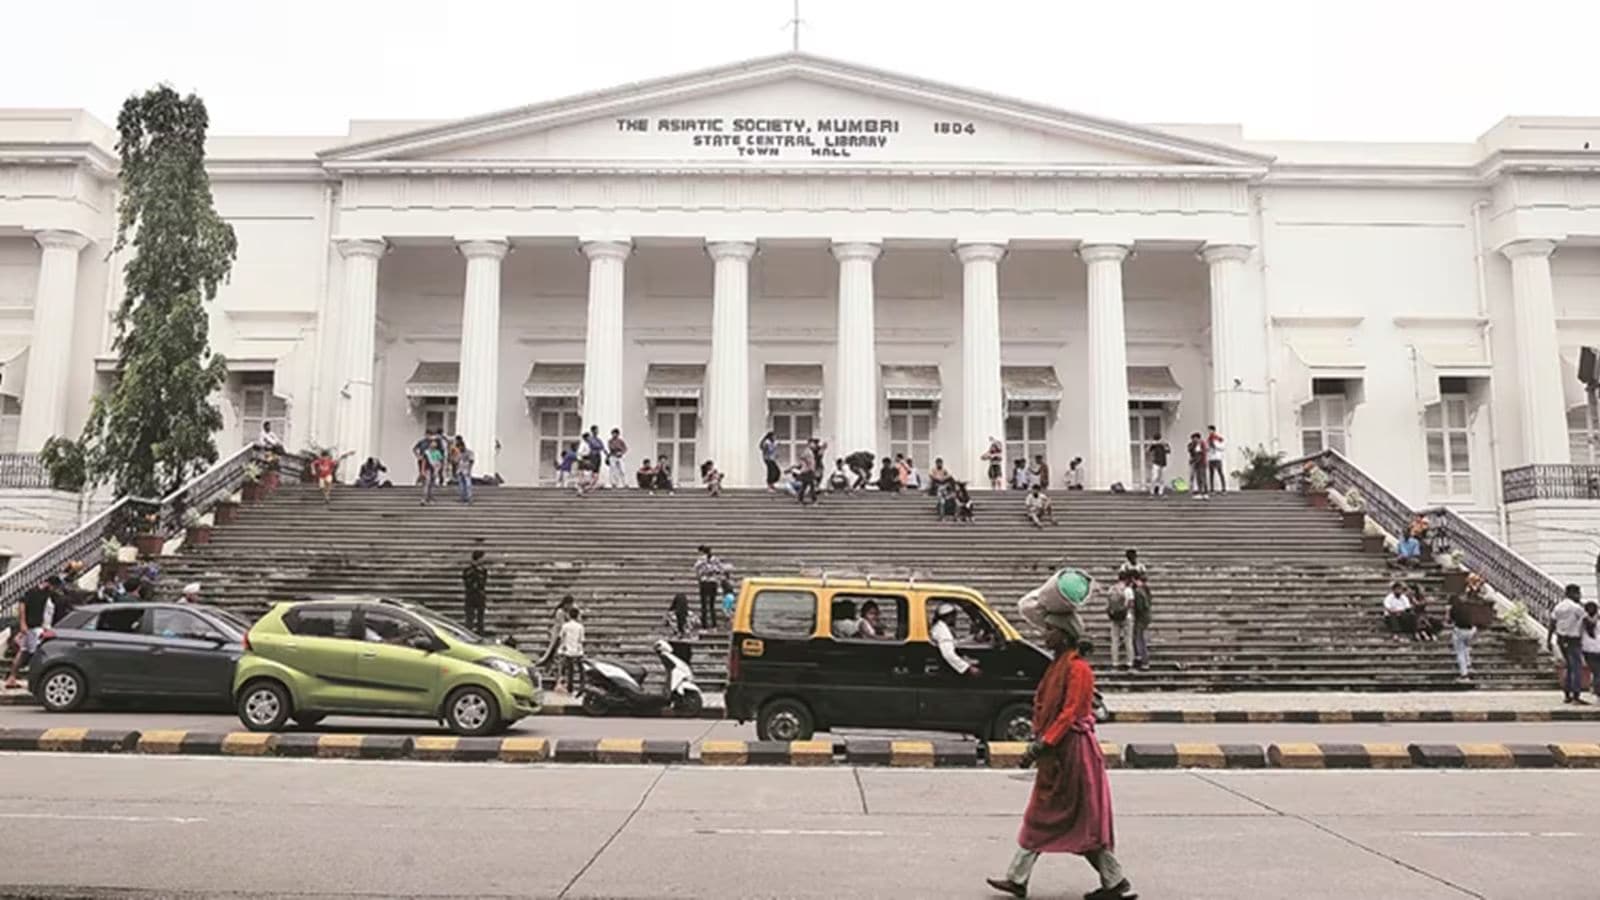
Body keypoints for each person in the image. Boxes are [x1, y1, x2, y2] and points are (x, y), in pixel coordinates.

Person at [986, 624, 1131, 900]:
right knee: (1061, 817)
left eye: (1050, 630)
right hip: (1057, 751)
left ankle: (1112, 880)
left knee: (1060, 817)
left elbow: (1069, 713)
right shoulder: (1058, 666)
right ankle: (1112, 880)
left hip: (1072, 752)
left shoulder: (1078, 670)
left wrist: (1042, 743)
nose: (1045, 635)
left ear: (1064, 636)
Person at [3, 576, 56, 689]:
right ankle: (27, 679)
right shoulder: (32, 592)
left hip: (35, 626)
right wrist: (23, 623)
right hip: (32, 627)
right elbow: (22, 606)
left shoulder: (46, 595)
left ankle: (12, 678)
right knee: (33, 654)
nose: (53, 589)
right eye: (52, 587)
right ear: (48, 584)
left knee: (23, 652)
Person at [1549, 583, 1589, 704]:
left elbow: (1552, 623)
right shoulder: (1576, 608)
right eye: (1578, 593)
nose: (1580, 596)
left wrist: (1548, 639)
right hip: (1573, 640)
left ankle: (1567, 694)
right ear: (1573, 594)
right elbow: (1587, 621)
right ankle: (1576, 695)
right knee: (1576, 667)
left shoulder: (1558, 607)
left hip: (1561, 639)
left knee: (1569, 667)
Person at [930, 603, 980, 676]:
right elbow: (948, 654)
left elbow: (953, 643)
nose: (956, 618)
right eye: (954, 616)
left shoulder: (941, 627)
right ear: (949, 616)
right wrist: (968, 668)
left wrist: (972, 638)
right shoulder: (942, 630)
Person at [695, 545, 728, 629]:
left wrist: (701, 575)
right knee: (711, 604)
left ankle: (704, 625)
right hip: (713, 583)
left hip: (704, 582)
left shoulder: (701, 560)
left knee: (704, 604)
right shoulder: (716, 559)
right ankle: (713, 624)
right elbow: (721, 569)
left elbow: (696, 568)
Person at [1105, 576, 1134, 670]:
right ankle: (1129, 662)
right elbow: (1131, 604)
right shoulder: (1128, 590)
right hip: (1126, 617)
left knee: (1114, 640)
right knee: (1128, 640)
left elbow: (1108, 604)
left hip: (1114, 618)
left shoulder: (1112, 589)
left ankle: (1115, 662)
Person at [1447, 593, 1476, 680]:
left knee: (1460, 652)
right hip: (1471, 630)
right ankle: (1469, 664)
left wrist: (1447, 611)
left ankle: (1464, 674)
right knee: (1466, 647)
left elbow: (1449, 620)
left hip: (1460, 630)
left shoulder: (1454, 608)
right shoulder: (1468, 607)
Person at [664, 593, 698, 666]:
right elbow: (697, 623)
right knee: (685, 665)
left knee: (674, 665)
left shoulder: (670, 615)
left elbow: (665, 624)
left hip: (673, 642)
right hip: (686, 643)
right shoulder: (691, 615)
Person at [557, 606, 585, 694]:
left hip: (567, 651)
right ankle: (582, 686)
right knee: (581, 670)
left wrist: (562, 647)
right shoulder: (580, 627)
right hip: (578, 651)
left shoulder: (565, 626)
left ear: (569, 615)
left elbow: (561, 637)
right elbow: (582, 640)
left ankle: (570, 687)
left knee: (569, 670)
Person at [462, 549, 489, 634]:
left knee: (480, 617)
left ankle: (480, 631)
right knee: (470, 617)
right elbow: (466, 582)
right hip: (471, 595)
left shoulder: (483, 570)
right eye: (483, 558)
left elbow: (483, 582)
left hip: (480, 595)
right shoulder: (468, 570)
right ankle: (468, 632)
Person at [1582, 601, 1600, 702]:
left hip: (1588, 649)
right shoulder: (1588, 621)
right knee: (1597, 672)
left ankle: (1596, 690)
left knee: (1596, 671)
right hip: (1593, 648)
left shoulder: (1583, 619)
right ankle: (1597, 691)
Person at [420, 438, 445, 505]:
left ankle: (430, 498)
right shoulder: (426, 452)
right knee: (427, 484)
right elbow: (424, 462)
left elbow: (440, 462)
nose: (433, 445)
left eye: (435, 443)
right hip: (428, 469)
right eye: (432, 443)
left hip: (435, 469)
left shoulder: (438, 452)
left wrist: (438, 470)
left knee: (432, 485)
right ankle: (424, 498)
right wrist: (422, 470)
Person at [454, 437, 476, 504]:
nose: (459, 449)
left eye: (460, 447)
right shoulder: (458, 453)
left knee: (468, 484)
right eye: (458, 448)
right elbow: (456, 461)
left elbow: (471, 461)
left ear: (463, 446)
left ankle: (469, 498)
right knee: (461, 485)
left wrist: (469, 470)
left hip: (466, 470)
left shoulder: (469, 452)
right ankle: (462, 498)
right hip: (460, 470)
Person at [1186, 432, 1208, 497]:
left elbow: (1200, 454)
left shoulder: (1201, 444)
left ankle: (1204, 492)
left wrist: (1194, 461)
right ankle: (1200, 492)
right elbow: (1191, 450)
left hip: (1201, 463)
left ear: (1197, 438)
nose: (1193, 440)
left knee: (1202, 478)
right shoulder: (1194, 445)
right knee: (1198, 478)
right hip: (1197, 463)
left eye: (1194, 438)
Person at [1205, 425, 1227, 492]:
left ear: (1213, 430)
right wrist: (1208, 448)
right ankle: (1212, 489)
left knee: (1220, 473)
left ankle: (1223, 488)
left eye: (1210, 430)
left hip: (1217, 458)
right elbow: (1207, 448)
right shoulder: (1208, 439)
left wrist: (1215, 446)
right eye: (1208, 430)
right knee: (1211, 474)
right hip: (1211, 458)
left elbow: (1223, 447)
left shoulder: (1218, 438)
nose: (1209, 432)